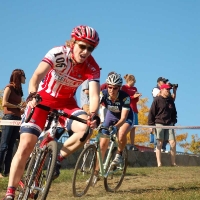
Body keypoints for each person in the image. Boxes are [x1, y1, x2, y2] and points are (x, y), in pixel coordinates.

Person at [3, 25, 101, 200]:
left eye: (90, 48)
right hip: (42, 100)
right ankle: (10, 191)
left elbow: (94, 94)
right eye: (82, 46)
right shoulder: (57, 54)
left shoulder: (92, 67)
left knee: (85, 130)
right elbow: (36, 76)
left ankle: (57, 159)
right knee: (26, 144)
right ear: (73, 43)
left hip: (66, 105)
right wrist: (33, 94)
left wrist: (93, 114)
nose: (86, 51)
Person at [91, 73, 134, 185]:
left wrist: (115, 127)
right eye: (109, 87)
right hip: (111, 116)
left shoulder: (125, 97)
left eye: (115, 88)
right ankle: (95, 174)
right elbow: (95, 106)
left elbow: (123, 118)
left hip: (125, 118)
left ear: (119, 88)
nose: (112, 90)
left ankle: (119, 155)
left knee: (121, 133)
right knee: (102, 145)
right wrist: (92, 117)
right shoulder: (103, 94)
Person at [0, 69, 26, 178]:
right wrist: (17, 107)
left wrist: (21, 110)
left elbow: (17, 106)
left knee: (11, 146)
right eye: (24, 76)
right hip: (9, 118)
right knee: (4, 145)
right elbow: (4, 103)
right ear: (18, 76)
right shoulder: (9, 88)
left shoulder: (18, 91)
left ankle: (6, 171)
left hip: (17, 119)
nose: (25, 78)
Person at [148, 84, 177, 167]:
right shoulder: (157, 100)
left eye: (169, 90)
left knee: (173, 143)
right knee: (159, 143)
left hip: (169, 124)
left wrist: (174, 121)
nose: (168, 91)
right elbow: (151, 113)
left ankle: (173, 163)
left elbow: (174, 112)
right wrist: (151, 125)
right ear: (162, 90)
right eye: (167, 89)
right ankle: (159, 163)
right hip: (159, 123)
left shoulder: (170, 100)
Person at [121, 74, 142, 151]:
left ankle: (132, 144)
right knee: (126, 127)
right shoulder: (124, 87)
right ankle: (124, 143)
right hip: (127, 109)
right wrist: (133, 97)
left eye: (134, 82)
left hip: (134, 109)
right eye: (132, 82)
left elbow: (136, 101)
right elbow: (124, 98)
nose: (133, 84)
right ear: (129, 81)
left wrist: (137, 96)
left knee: (133, 127)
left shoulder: (134, 88)